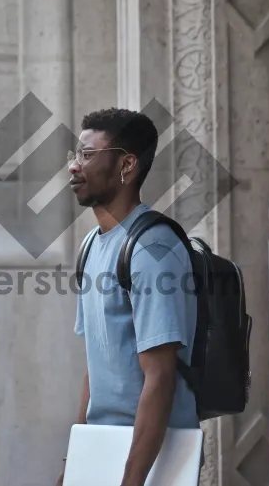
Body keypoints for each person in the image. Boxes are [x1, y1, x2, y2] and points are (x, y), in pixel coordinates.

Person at [57, 108, 199, 486]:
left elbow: (160, 376)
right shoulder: (91, 245)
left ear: (127, 164)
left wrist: (132, 481)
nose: (74, 166)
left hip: (152, 458)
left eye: (87, 155)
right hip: (104, 449)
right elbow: (97, 363)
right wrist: (74, 460)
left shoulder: (154, 246)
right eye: (75, 154)